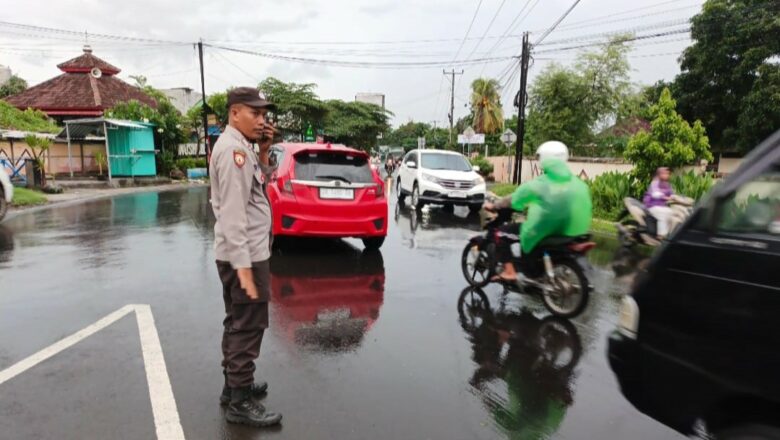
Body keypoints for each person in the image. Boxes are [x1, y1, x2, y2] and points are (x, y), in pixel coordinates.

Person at [210, 86, 283, 427]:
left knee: (238, 322)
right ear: (234, 112)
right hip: (246, 257)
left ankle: (234, 387)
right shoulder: (232, 152)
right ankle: (239, 403)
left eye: (264, 114)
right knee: (248, 327)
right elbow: (233, 214)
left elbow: (258, 189)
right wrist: (243, 268)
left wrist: (264, 152)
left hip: (245, 253)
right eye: (255, 114)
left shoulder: (243, 148)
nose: (262, 121)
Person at [483, 141, 592, 282]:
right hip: (570, 233)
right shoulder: (578, 184)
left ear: (545, 158)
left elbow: (514, 199)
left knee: (501, 234)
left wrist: (494, 206)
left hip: (542, 231)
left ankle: (510, 272)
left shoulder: (540, 184)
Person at [643, 167, 674, 237]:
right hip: (652, 205)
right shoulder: (655, 182)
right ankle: (661, 236)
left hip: (662, 206)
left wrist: (675, 198)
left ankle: (671, 234)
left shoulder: (667, 185)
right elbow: (655, 194)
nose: (666, 175)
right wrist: (664, 197)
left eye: (667, 173)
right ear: (659, 174)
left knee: (672, 213)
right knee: (663, 213)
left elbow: (672, 194)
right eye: (664, 173)